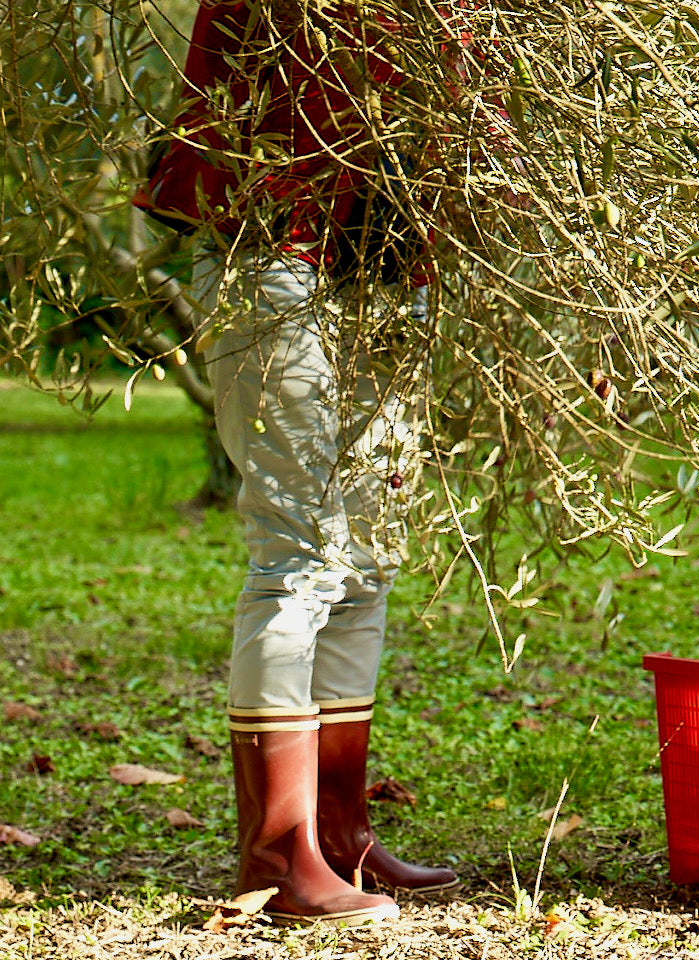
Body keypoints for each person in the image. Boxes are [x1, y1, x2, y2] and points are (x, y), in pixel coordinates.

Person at [136, 0, 460, 926]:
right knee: (300, 549)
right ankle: (279, 857)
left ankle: (339, 834)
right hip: (266, 240)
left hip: (394, 256)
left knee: (368, 554)